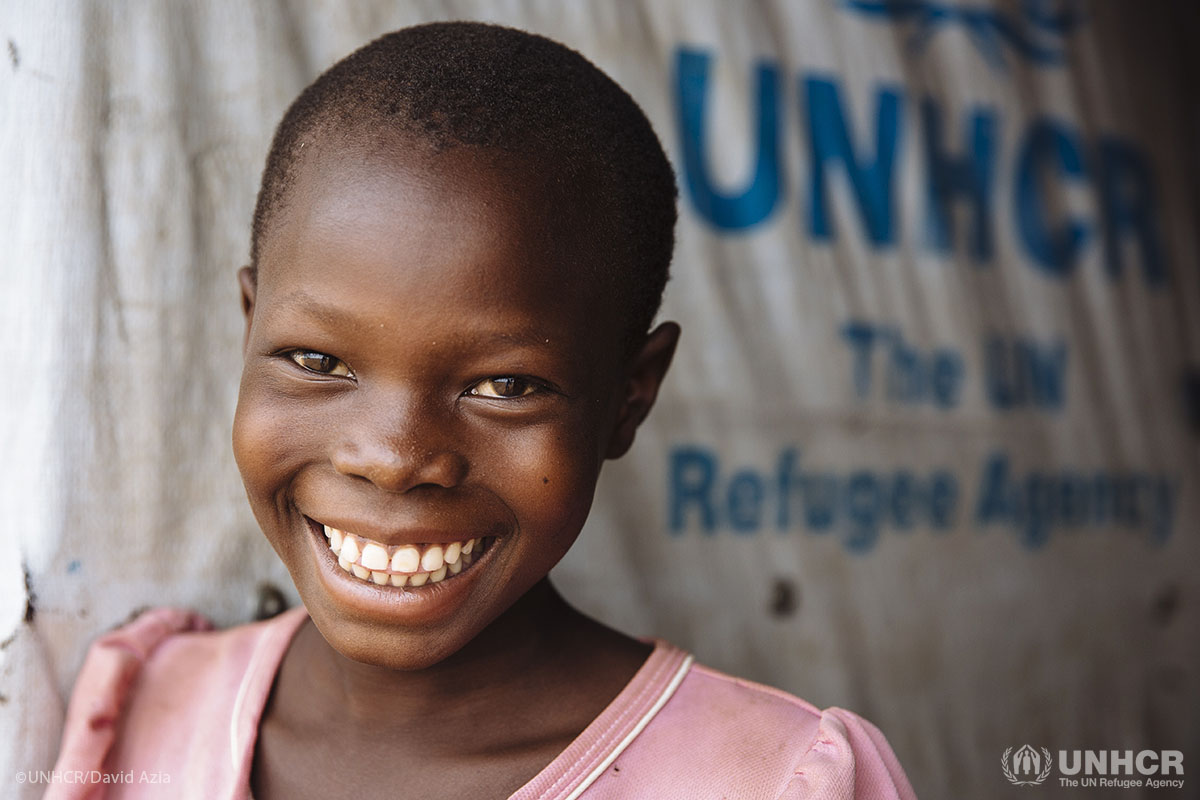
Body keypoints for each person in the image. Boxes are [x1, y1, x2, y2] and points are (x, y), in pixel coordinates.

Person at [49, 22, 916, 800]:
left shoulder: (774, 781)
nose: (392, 457)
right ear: (248, 334)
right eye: (317, 361)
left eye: (505, 386)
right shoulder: (143, 718)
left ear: (629, 398)